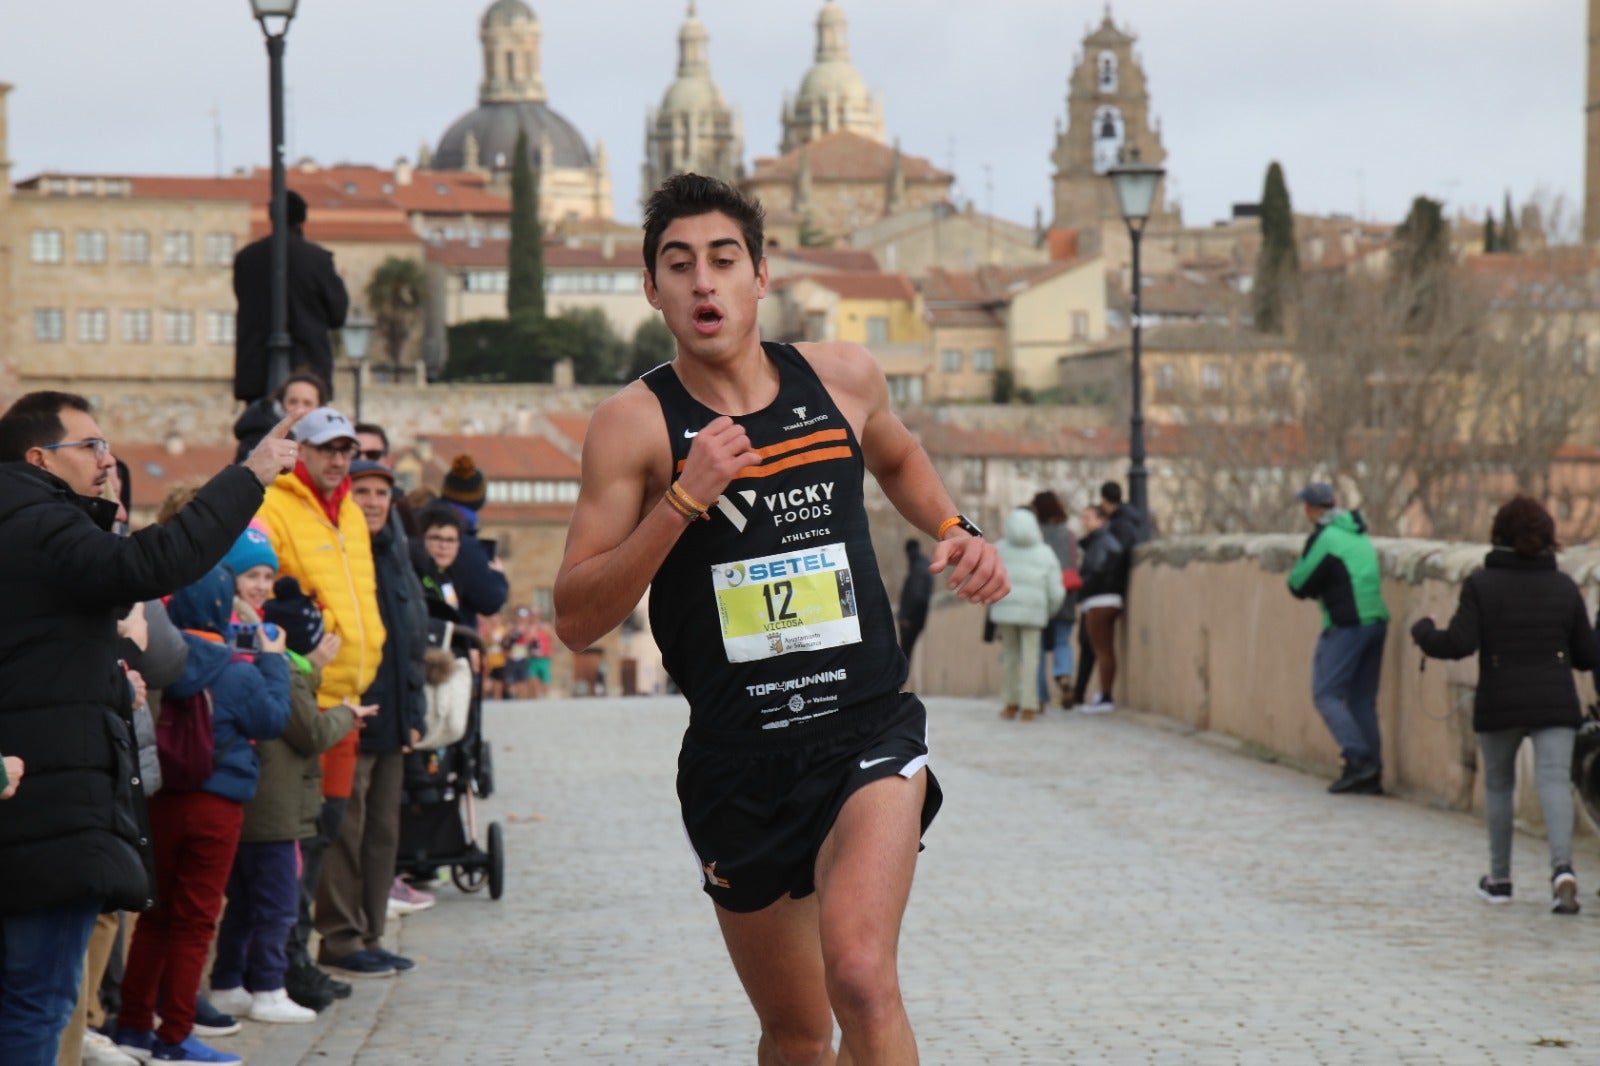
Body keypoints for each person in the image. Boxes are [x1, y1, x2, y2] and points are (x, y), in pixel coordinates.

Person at [553, 174, 1008, 1064]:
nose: (703, 284)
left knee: (863, 975)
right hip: (738, 761)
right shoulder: (633, 427)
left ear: (763, 275)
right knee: (798, 1032)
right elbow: (576, 617)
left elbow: (899, 454)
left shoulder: (841, 378)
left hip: (863, 729)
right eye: (678, 266)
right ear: (653, 290)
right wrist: (683, 499)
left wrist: (956, 527)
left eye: (724, 260)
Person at [0, 391, 298, 1064]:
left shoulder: (25, 520)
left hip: (38, 789)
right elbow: (150, 565)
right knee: (36, 999)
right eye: (93, 447)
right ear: (39, 457)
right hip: (48, 800)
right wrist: (248, 477)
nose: (108, 460)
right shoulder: (40, 524)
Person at [111, 561, 291, 1065]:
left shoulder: (151, 663)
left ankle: (132, 1027)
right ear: (220, 605)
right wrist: (274, 661)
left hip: (161, 801)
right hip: (216, 806)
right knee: (195, 923)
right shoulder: (237, 670)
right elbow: (274, 718)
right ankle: (175, 1036)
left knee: (155, 918)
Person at [254, 406, 387, 992]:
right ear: (300, 452)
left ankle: (297, 959)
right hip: (304, 694)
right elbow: (266, 594)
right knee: (300, 838)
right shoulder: (275, 505)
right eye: (326, 449)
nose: (338, 460)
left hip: (347, 697)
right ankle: (284, 964)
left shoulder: (352, 513)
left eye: (346, 450)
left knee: (327, 830)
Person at [1411, 496, 1596, 912]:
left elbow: (1458, 644)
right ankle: (1562, 869)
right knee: (1553, 782)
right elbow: (1586, 656)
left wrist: (1424, 633)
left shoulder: (1481, 584)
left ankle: (1500, 879)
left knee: (1498, 785)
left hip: (1500, 699)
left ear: (1500, 535)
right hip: (1554, 700)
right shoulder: (1564, 587)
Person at [207, 529, 357, 1024]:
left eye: (267, 576)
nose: (261, 586)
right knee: (275, 902)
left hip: (254, 793)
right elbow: (296, 722)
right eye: (253, 575)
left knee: (249, 902)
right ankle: (267, 985)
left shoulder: (255, 631)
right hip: (266, 799)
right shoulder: (243, 637)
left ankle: (230, 981)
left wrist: (306, 667)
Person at [313, 459, 427, 979]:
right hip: (351, 713)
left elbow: (413, 641)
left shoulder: (397, 554)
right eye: (363, 491)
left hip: (394, 719)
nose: (375, 500)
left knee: (382, 833)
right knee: (346, 833)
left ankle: (371, 932)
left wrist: (414, 713)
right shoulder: (341, 553)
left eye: (382, 492)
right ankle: (341, 938)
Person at [1287, 481, 1390, 795]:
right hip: (1376, 621)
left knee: (1326, 693)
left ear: (1312, 508)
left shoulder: (1327, 538)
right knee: (1361, 700)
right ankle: (1372, 772)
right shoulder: (1357, 533)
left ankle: (1358, 759)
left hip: (1348, 624)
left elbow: (1298, 582)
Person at [232, 190, 350, 404]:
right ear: (302, 218)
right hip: (308, 371)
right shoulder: (317, 260)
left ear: (271, 216)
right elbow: (338, 315)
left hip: (256, 371)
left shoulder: (246, 259)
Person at [990, 506, 1066, 721]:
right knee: (1032, 658)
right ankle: (1029, 705)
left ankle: (1010, 703)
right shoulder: (1044, 552)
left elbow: (989, 578)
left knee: (1010, 657)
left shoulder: (999, 549)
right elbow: (1056, 589)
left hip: (1005, 609)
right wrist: (1049, 610)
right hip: (1034, 611)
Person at [432, 455, 509, 631]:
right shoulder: (464, 542)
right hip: (451, 638)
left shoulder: (422, 519)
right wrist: (498, 575)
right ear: (479, 499)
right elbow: (489, 600)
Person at [1076, 503, 1126, 714]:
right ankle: (1104, 695)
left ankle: (1105, 696)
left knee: (1102, 649)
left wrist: (1079, 584)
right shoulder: (1103, 541)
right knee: (1102, 649)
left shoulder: (1101, 541)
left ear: (1101, 520)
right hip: (1103, 599)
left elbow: (1095, 571)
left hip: (1100, 600)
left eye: (1088, 518)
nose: (1084, 522)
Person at [1031, 491, 1079, 709]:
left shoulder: (1033, 534)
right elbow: (1074, 561)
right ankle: (1064, 675)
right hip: (1066, 593)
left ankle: (1040, 696)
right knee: (1062, 640)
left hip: (1039, 594)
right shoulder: (1067, 533)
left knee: (1038, 646)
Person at [232, 371, 328, 463]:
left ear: (319, 408)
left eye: (307, 403)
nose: (299, 409)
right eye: (293, 402)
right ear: (281, 404)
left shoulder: (331, 437)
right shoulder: (259, 432)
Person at [897, 539, 933, 665]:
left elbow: (916, 595)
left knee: (904, 654)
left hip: (911, 620)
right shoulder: (922, 565)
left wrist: (907, 617)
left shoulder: (918, 568)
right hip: (916, 619)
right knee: (906, 654)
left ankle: (899, 684)